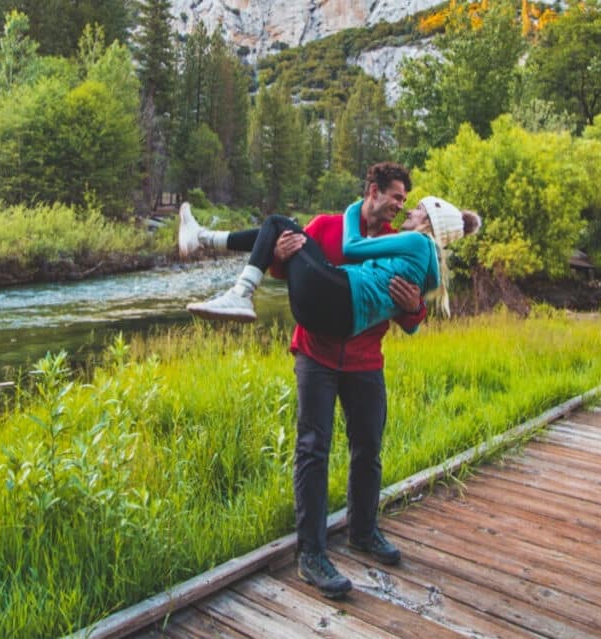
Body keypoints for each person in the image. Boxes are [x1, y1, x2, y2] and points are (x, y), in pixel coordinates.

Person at [178, 163, 479, 599]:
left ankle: (363, 531)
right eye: (395, 197)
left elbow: (412, 322)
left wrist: (414, 307)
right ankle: (312, 554)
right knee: (313, 449)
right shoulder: (329, 226)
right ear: (372, 192)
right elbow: (289, 272)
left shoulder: (402, 241)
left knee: (368, 449)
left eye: (405, 202)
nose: (399, 207)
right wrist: (278, 254)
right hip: (317, 355)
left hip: (364, 360)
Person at [179, 196, 479, 333]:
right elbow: (411, 327)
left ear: (428, 221)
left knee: (277, 222)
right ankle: (202, 237)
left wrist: (354, 208)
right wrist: (414, 309)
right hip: (335, 323)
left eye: (417, 210)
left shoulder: (417, 243)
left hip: (337, 297)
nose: (409, 212)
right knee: (280, 231)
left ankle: (240, 293)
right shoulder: (430, 271)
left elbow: (352, 246)